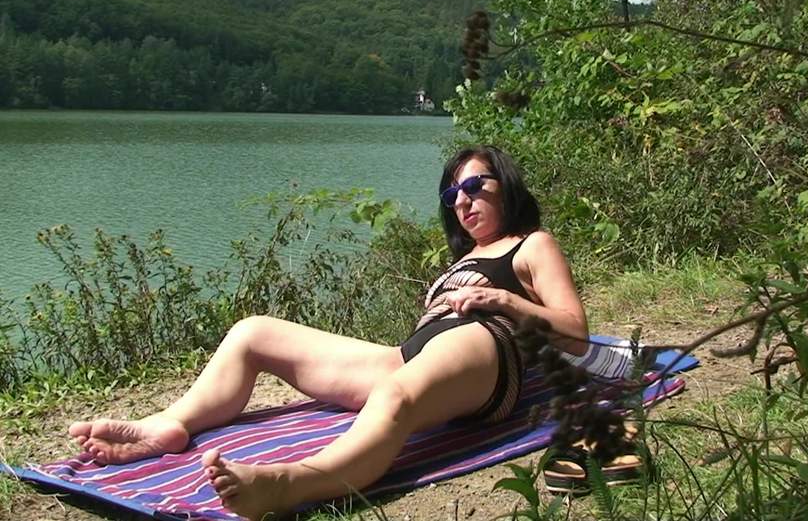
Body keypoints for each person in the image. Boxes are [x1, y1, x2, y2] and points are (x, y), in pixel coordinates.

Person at [68, 145, 588, 520]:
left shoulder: (532, 243)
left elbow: (576, 334)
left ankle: (292, 482)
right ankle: (169, 426)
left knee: (394, 394)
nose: (462, 200)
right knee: (253, 333)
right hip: (412, 357)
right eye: (453, 193)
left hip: (488, 347)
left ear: (506, 186)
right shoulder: (464, 257)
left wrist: (502, 300)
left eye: (474, 186)